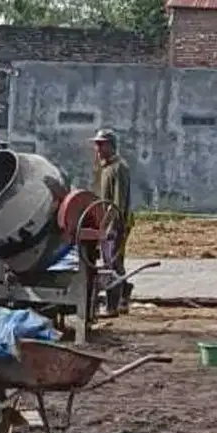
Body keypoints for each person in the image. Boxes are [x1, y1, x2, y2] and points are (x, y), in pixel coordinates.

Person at [90, 128, 134, 314]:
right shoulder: (105, 167)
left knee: (112, 263)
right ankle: (124, 293)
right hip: (109, 221)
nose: (98, 148)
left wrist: (107, 226)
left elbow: (117, 204)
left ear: (111, 146)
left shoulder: (119, 168)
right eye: (96, 144)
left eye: (101, 144)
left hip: (118, 222)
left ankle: (113, 305)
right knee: (112, 261)